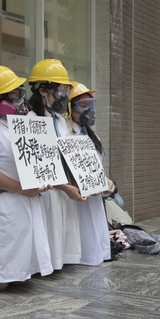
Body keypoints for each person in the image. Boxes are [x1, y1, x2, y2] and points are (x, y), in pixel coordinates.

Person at [0, 64, 53, 291]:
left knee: (21, 275)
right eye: (14, 93)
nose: (20, 98)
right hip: (2, 203)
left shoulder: (24, 124)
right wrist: (21, 187)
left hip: (24, 203)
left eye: (20, 92)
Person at [28, 59, 82, 270]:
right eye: (60, 89)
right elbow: (39, 164)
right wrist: (64, 186)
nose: (64, 95)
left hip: (65, 188)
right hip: (48, 190)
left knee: (62, 243)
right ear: (43, 90)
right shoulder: (31, 119)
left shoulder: (60, 120)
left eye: (66, 89)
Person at [66, 81, 114, 265]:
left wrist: (106, 181)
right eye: (83, 106)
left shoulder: (93, 136)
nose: (89, 110)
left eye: (90, 105)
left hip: (95, 199)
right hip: (78, 199)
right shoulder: (67, 135)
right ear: (70, 109)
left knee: (96, 243)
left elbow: (96, 168)